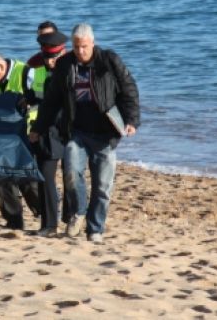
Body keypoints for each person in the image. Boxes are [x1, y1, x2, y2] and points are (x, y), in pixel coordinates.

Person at [30, 23, 140, 243]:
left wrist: (131, 120)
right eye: (77, 47)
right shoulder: (65, 65)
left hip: (105, 133)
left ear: (93, 43)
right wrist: (39, 128)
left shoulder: (109, 61)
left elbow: (129, 89)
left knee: (102, 186)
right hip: (77, 132)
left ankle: (95, 229)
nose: (80, 51)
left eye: (84, 47)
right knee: (71, 172)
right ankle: (78, 211)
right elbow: (51, 101)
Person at [0, 51, 41, 230]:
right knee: (2, 176)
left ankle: (44, 213)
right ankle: (14, 221)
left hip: (28, 133)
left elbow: (43, 98)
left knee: (28, 178)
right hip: (2, 137)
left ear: (1, 66)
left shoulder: (26, 73)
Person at [25, 28, 69, 237]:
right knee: (45, 176)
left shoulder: (71, 67)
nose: (50, 61)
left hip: (67, 130)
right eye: (46, 57)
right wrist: (28, 99)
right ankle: (49, 224)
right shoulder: (37, 66)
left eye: (53, 57)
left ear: (62, 52)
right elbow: (40, 95)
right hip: (48, 131)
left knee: (71, 178)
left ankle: (68, 219)